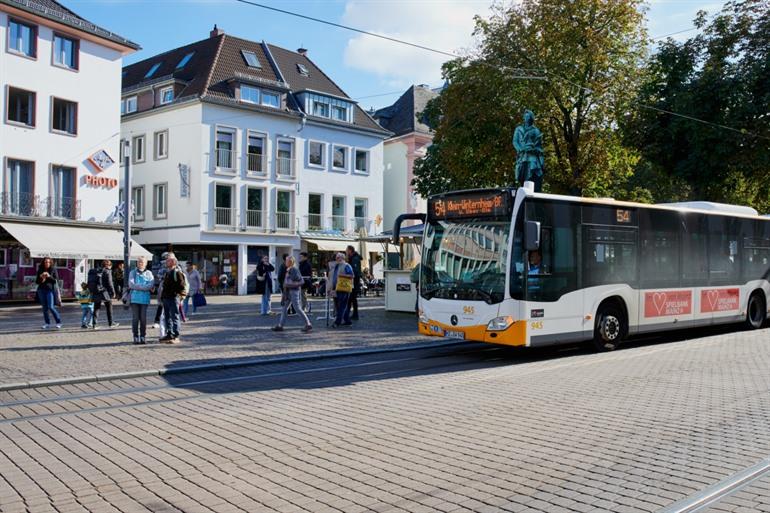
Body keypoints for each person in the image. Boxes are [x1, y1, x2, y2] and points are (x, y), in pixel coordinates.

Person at [271, 255, 312, 332]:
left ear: (290, 262)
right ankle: (280, 325)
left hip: (293, 291)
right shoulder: (289, 269)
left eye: (286, 261)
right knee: (284, 308)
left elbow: (296, 278)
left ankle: (308, 324)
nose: (285, 262)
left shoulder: (293, 269)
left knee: (297, 308)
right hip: (288, 291)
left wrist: (289, 274)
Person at [159, 253, 188, 343]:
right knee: (167, 317)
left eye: (168, 260)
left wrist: (179, 296)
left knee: (174, 316)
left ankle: (175, 335)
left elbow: (182, 286)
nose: (166, 262)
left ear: (173, 262)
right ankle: (169, 334)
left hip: (173, 298)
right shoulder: (167, 272)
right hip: (166, 298)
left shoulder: (177, 272)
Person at [128, 256, 154, 344]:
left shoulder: (149, 273)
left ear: (146, 263)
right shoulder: (133, 272)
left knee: (143, 319)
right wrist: (143, 287)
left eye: (142, 262)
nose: (140, 263)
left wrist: (138, 287)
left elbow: (151, 284)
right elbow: (131, 284)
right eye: (139, 262)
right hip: (134, 299)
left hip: (144, 299)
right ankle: (135, 336)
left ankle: (143, 336)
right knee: (135, 318)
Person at [90, 260, 118, 329]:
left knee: (96, 308)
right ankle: (111, 323)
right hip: (104, 292)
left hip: (96, 291)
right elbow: (110, 283)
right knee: (109, 307)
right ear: (108, 265)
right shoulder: (107, 271)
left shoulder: (95, 271)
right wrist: (113, 292)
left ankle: (94, 324)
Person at [36, 257, 62, 329]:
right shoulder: (40, 269)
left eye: (48, 262)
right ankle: (47, 323)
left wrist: (49, 276)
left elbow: (56, 281)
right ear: (43, 263)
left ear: (50, 263)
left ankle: (58, 322)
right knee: (44, 308)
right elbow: (37, 282)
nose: (47, 263)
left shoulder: (53, 269)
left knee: (51, 306)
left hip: (50, 290)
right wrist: (41, 277)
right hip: (41, 290)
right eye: (45, 262)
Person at [330, 252, 354, 328]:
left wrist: (342, 275)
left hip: (344, 288)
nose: (337, 259)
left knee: (342, 305)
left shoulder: (347, 266)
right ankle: (347, 321)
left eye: (338, 257)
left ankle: (337, 322)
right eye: (336, 258)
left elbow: (351, 275)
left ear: (342, 258)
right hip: (336, 288)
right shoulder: (336, 266)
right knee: (339, 305)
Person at [345, 245, 362, 320]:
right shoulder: (353, 258)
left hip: (354, 282)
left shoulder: (354, 259)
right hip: (353, 281)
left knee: (351, 298)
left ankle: (352, 314)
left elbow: (355, 271)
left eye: (347, 250)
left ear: (350, 250)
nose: (346, 251)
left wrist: (349, 274)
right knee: (352, 298)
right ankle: (352, 314)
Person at [152, 253, 168, 329]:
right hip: (163, 287)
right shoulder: (161, 266)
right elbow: (158, 276)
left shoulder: (177, 267)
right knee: (161, 305)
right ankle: (157, 321)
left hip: (171, 289)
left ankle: (164, 322)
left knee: (170, 307)